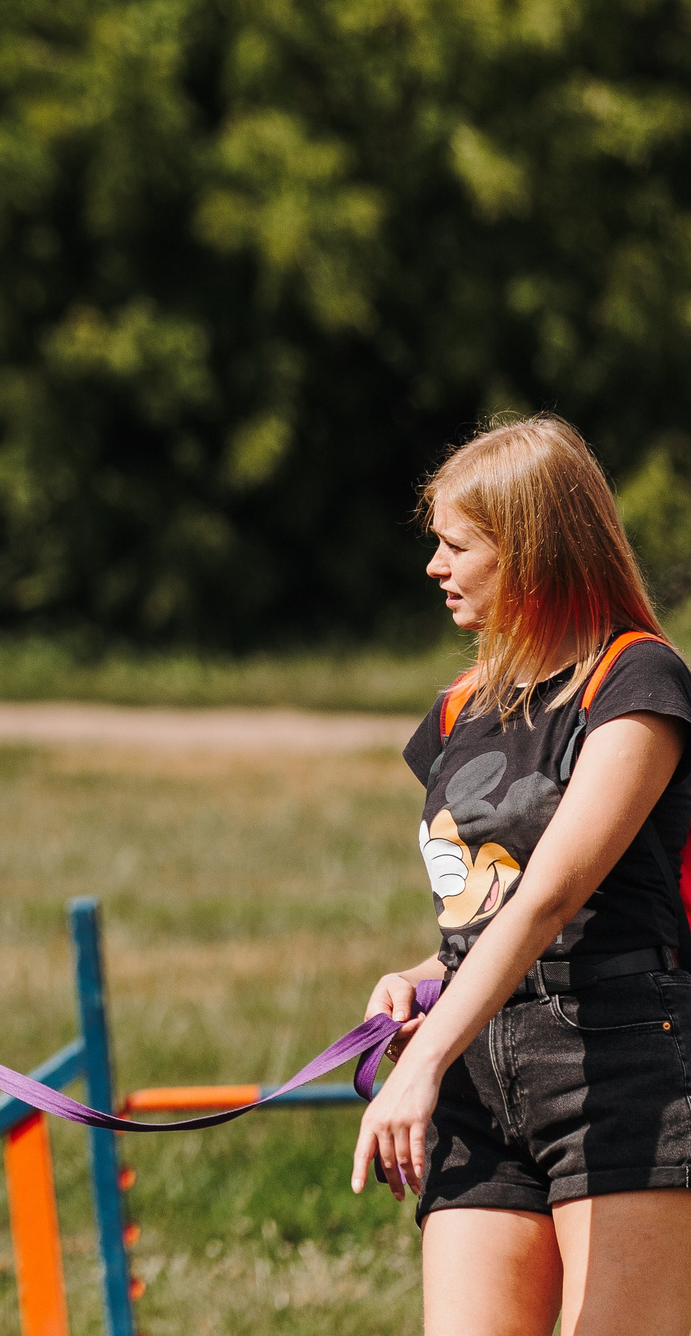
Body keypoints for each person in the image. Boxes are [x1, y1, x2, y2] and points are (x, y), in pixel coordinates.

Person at [352, 415, 691, 1335]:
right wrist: (421, 978)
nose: (436, 566)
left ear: (532, 551)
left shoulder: (636, 683)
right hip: (478, 1072)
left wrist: (421, 1061)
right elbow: (485, 910)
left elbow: (552, 894)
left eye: (457, 545)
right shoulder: (459, 710)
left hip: (615, 1059)